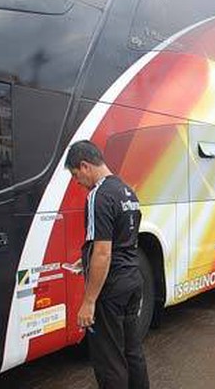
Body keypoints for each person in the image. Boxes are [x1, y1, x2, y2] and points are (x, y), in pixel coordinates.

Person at [65, 140, 149, 389]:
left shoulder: (98, 196)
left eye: (75, 175)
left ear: (85, 165)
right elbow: (122, 241)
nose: (77, 182)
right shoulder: (127, 191)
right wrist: (85, 261)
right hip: (132, 281)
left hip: (110, 289)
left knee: (109, 360)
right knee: (132, 352)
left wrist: (88, 302)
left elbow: (103, 252)